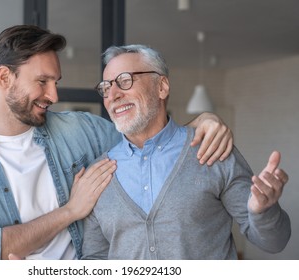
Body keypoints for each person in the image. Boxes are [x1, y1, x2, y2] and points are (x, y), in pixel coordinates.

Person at [0, 25, 233, 260]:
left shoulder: (82, 129)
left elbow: (149, 141)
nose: (53, 95)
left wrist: (201, 121)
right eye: (42, 82)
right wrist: (70, 210)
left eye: (56, 82)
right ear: (4, 77)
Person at [81, 44, 291, 259]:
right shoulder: (98, 174)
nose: (113, 95)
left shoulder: (213, 150)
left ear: (161, 87)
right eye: (106, 87)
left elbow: (274, 242)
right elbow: (95, 259)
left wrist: (263, 212)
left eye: (125, 81)